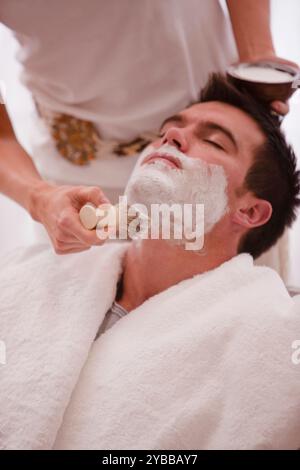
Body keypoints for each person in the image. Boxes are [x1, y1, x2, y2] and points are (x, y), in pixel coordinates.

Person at [1, 74, 300, 450]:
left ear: (251, 211)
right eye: (165, 132)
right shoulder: (23, 274)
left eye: (212, 140)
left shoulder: (279, 329)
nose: (171, 138)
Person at [0, 0, 299, 255]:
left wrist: (255, 53)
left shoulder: (236, 202)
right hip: (72, 168)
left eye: (215, 141)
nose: (171, 136)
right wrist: (38, 197)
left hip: (214, 152)